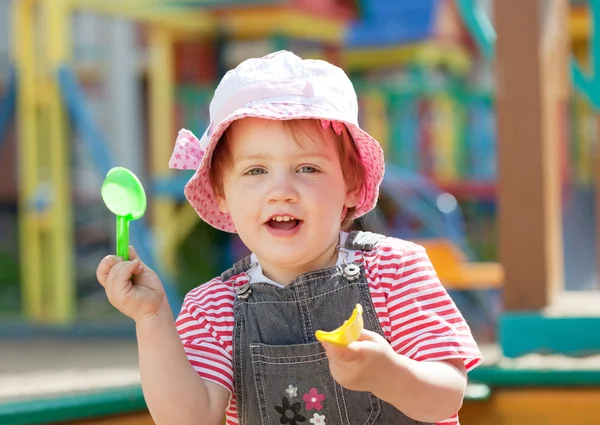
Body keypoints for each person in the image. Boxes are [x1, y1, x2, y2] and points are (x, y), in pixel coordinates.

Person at [97, 51, 483, 425]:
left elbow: (447, 393)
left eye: (307, 167)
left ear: (351, 185)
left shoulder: (394, 271)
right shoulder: (213, 309)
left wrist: (389, 373)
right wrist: (151, 319)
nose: (281, 190)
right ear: (221, 193)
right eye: (255, 171)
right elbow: (191, 419)